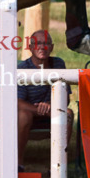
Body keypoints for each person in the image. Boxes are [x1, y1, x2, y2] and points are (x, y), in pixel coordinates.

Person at [16, 30, 72, 166]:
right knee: (24, 115)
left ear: (52, 47)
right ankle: (18, 163)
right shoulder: (22, 68)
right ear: (30, 48)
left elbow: (66, 97)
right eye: (38, 43)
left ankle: (58, 165)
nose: (42, 47)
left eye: (46, 43)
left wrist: (50, 105)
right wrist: (39, 109)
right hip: (29, 112)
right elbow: (17, 102)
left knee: (68, 114)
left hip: (51, 110)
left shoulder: (58, 64)